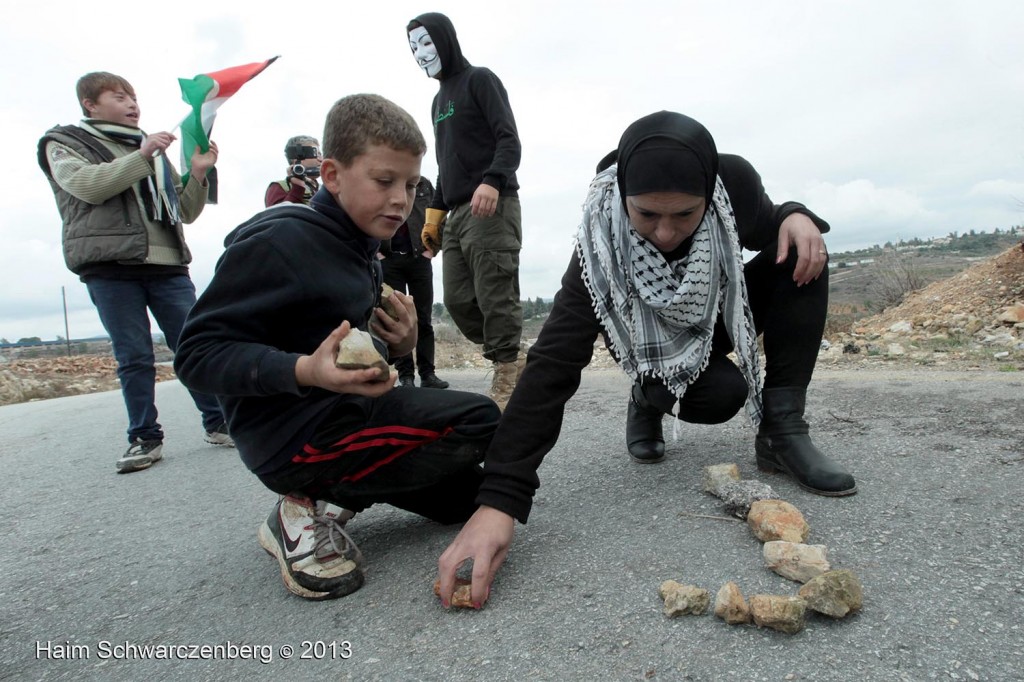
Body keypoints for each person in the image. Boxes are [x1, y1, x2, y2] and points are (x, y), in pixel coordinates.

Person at [434, 110, 858, 609]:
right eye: (647, 215)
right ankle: (646, 395)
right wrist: (499, 499)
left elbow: (771, 220)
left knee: (803, 255)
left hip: (707, 319)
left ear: (709, 192)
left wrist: (797, 214)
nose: (664, 233)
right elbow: (552, 365)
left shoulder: (733, 184)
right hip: (642, 341)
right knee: (721, 395)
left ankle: (782, 432)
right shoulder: (598, 237)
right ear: (624, 198)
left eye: (684, 215)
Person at [174, 94, 501, 602]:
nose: (402, 200)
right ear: (331, 174)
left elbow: (343, 350)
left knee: (467, 499)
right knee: (481, 418)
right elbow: (195, 355)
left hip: (344, 413)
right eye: (384, 180)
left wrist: (400, 345)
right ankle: (301, 505)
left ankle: (336, 494)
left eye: (412, 185)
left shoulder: (362, 249)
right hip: (291, 436)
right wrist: (304, 370)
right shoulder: (281, 240)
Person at [37, 71, 234, 475]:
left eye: (134, 97)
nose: (133, 104)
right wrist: (142, 155)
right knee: (135, 355)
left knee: (194, 345)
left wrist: (197, 173)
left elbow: (185, 211)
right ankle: (144, 437)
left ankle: (218, 422)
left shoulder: (150, 150)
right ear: (90, 104)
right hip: (110, 266)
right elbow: (88, 186)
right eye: (119, 96)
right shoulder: (65, 143)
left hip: (168, 265)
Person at [406, 12, 525, 410]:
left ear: (445, 40)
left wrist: (493, 180)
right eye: (413, 48)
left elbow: (509, 139)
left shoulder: (480, 80)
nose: (420, 54)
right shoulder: (438, 100)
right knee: (457, 301)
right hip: (456, 213)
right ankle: (513, 357)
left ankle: (508, 368)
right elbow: (445, 166)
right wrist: (434, 216)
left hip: (492, 204)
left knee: (495, 294)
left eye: (425, 43)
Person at [380, 177, 449, 389]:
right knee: (398, 317)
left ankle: (428, 375)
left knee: (424, 319)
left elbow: (440, 215)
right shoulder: (382, 182)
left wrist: (433, 249)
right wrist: (376, 251)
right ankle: (406, 376)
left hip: (419, 258)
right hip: (389, 260)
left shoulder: (424, 185)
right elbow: (366, 214)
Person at [264, 135, 322, 207]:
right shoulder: (279, 187)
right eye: (316, 154)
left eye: (320, 154)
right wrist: (298, 188)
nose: (321, 159)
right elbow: (279, 215)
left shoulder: (326, 189)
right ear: (297, 157)